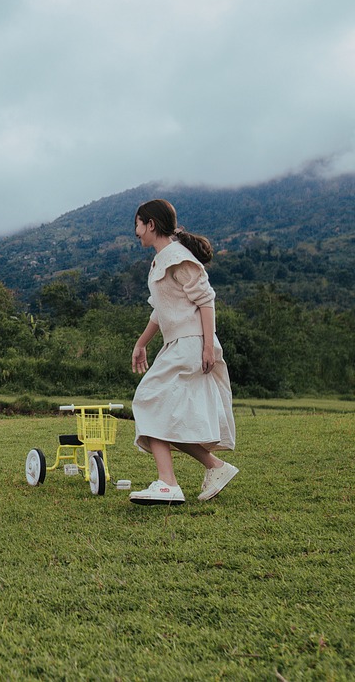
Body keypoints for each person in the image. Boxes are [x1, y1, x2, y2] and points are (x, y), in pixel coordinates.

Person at [127, 199, 237, 504]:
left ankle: (167, 484)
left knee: (148, 401)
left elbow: (206, 301)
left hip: (190, 344)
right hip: (175, 344)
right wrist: (142, 343)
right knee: (167, 415)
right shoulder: (162, 260)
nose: (136, 232)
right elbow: (160, 311)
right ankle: (215, 467)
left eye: (138, 224)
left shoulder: (178, 257)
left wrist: (206, 346)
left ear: (150, 224)